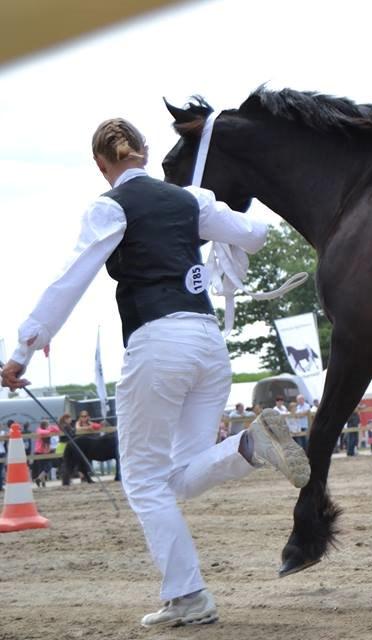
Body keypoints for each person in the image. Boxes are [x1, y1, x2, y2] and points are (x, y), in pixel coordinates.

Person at [0, 117, 310, 628]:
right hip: (208, 346)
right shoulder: (192, 200)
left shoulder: (109, 207)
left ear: (102, 166)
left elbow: (68, 283)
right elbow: (254, 234)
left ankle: (188, 595)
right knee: (177, 479)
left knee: (143, 479)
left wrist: (22, 351)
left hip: (158, 343)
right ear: (144, 152)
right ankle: (252, 446)